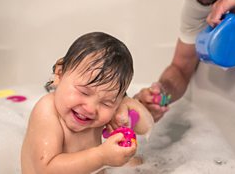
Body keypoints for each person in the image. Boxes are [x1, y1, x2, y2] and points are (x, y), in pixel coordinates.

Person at [21, 32, 153, 174]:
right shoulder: (47, 110)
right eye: (84, 92)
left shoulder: (98, 114)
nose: (91, 108)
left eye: (106, 103)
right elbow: (45, 169)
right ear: (59, 74)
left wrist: (126, 105)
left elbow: (145, 128)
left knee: (141, 162)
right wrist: (102, 157)